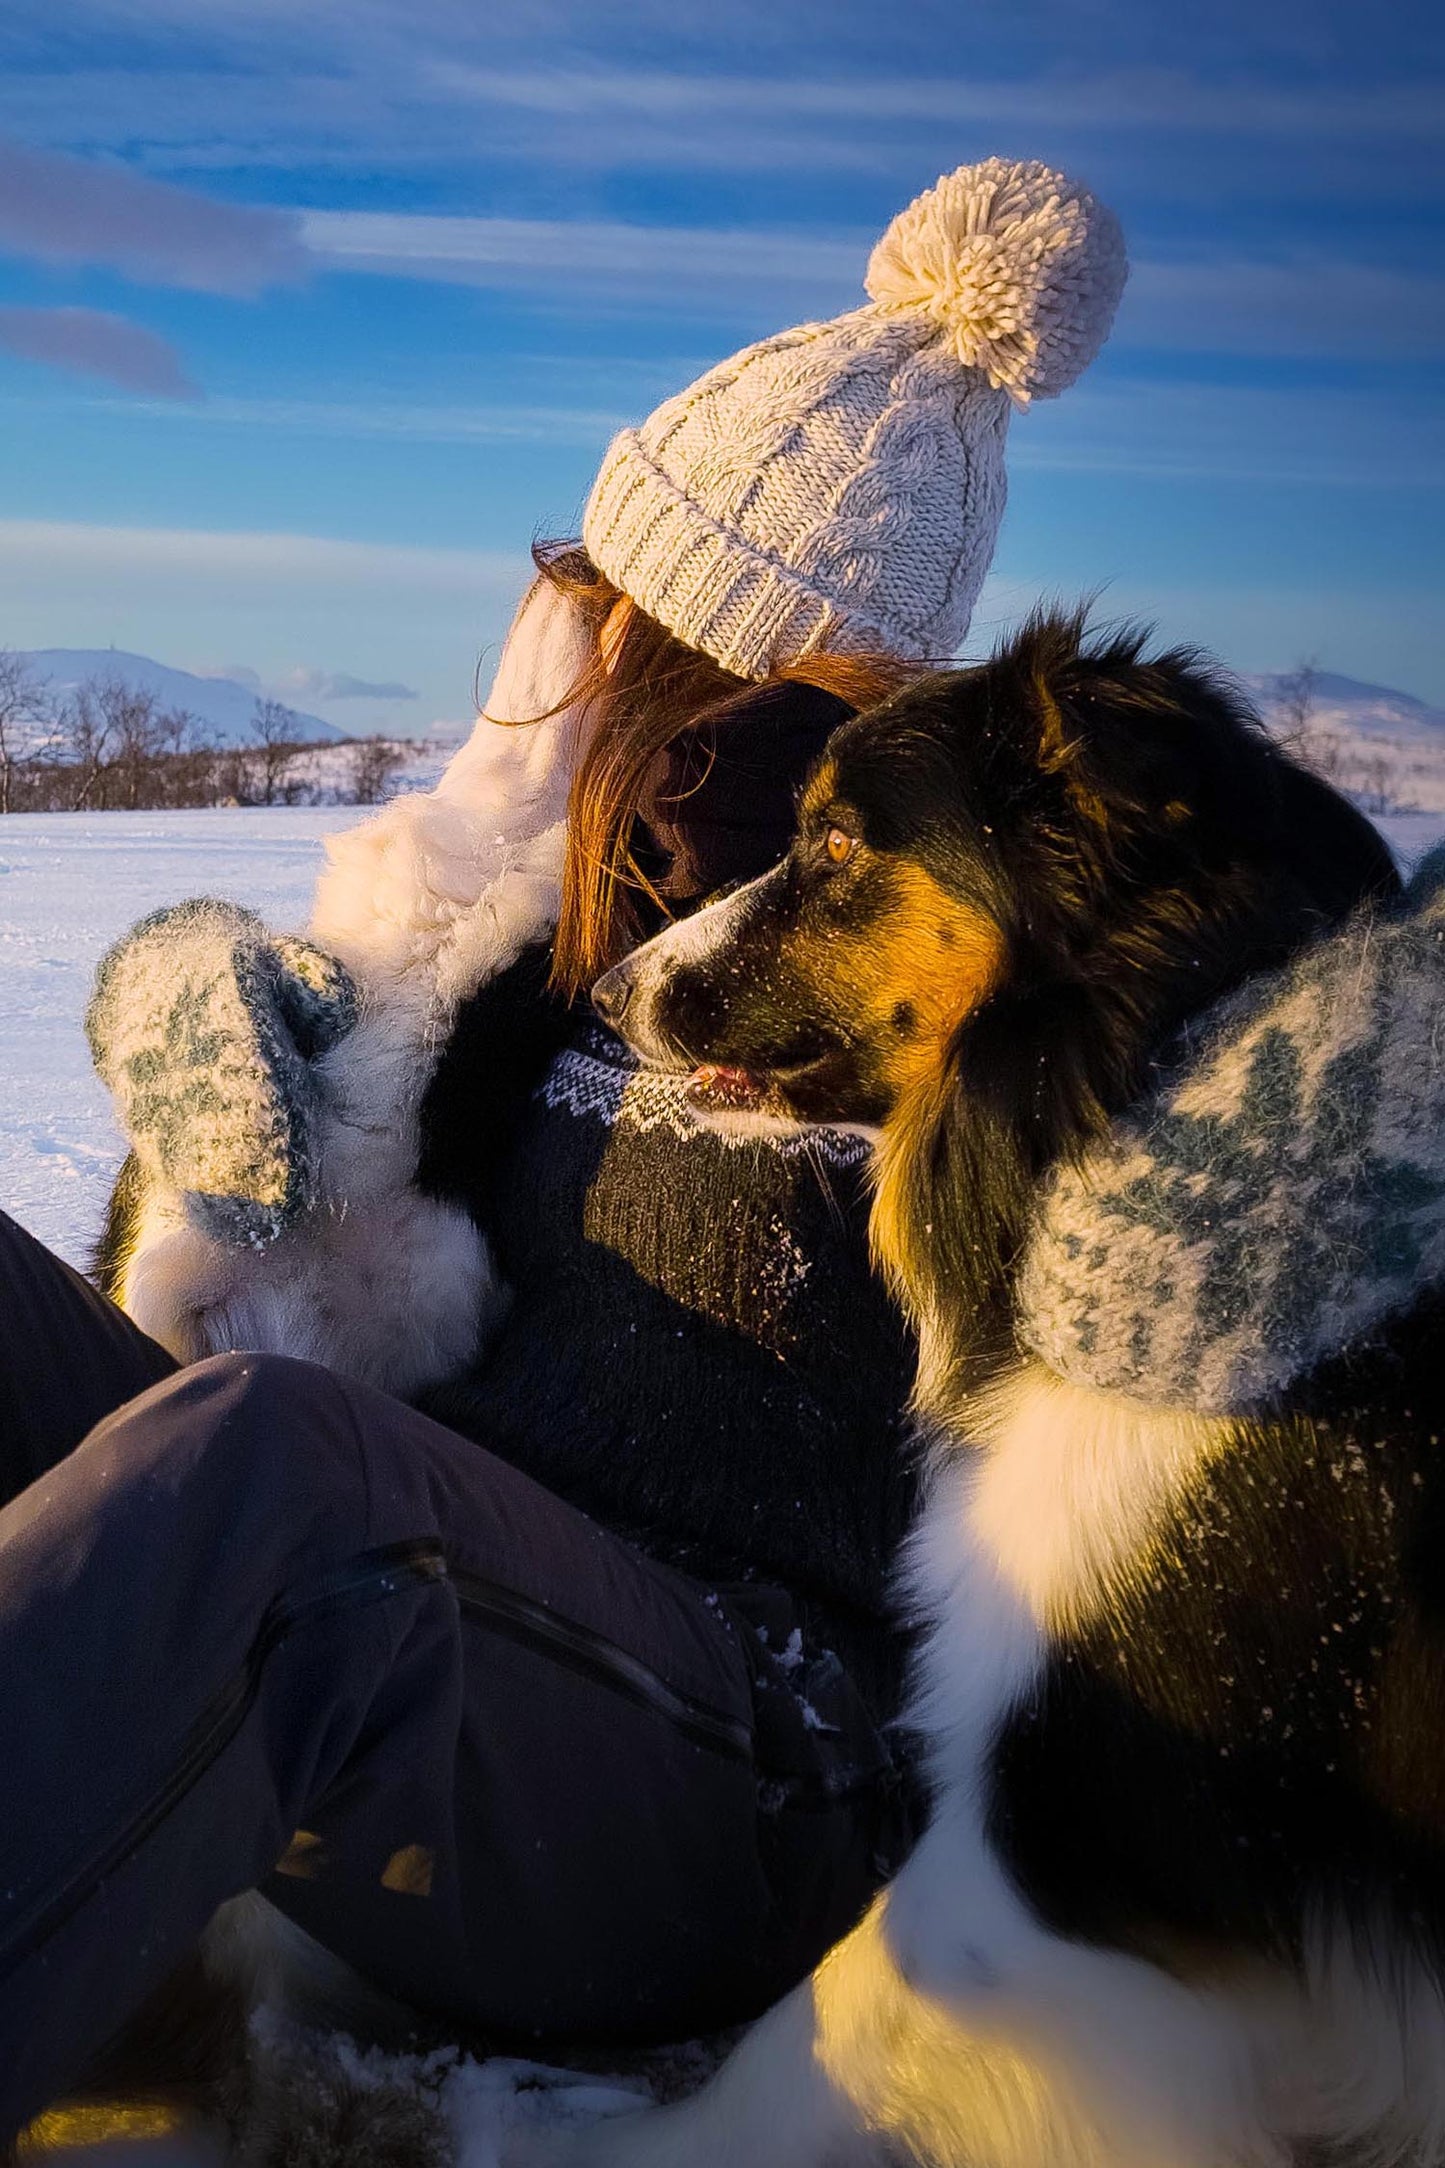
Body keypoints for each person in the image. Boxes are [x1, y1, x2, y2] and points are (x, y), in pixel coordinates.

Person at [0, 159, 1127, 2142]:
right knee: (214, 1429)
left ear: (689, 673)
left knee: (281, 1481)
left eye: (583, 601)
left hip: (751, 1763)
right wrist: (183, 1025)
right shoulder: (524, 925)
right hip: (444, 1642)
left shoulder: (961, 997)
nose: (532, 643)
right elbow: (236, 1301)